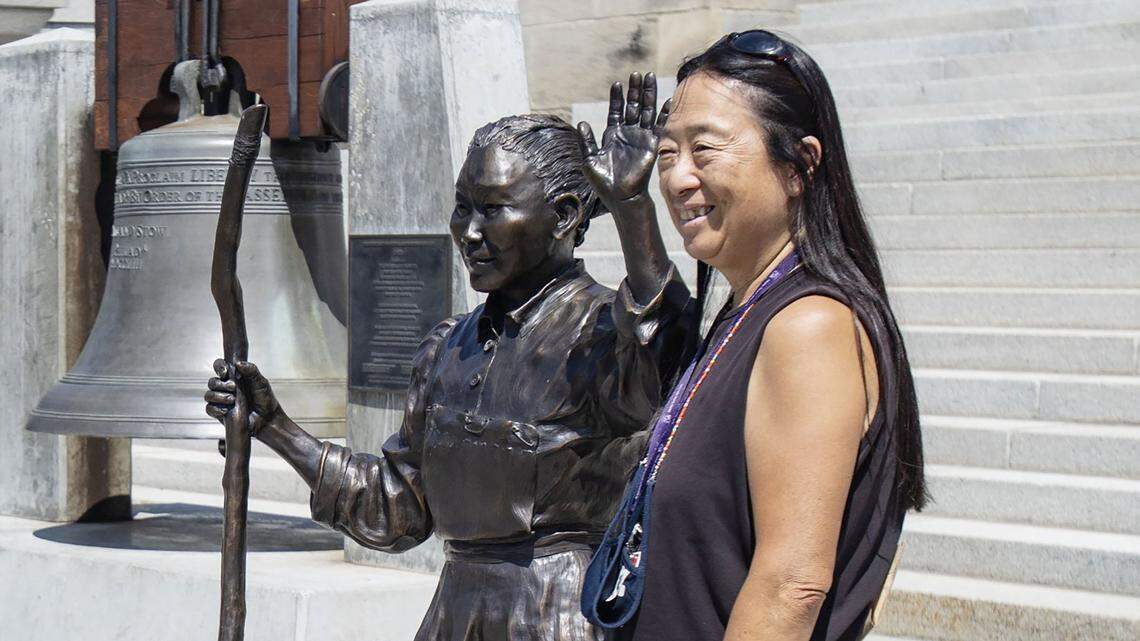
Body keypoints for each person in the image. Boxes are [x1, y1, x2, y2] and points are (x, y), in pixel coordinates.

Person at [204, 114, 691, 641]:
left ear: (565, 216)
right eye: (464, 207)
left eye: (494, 209)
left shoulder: (601, 334)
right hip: (455, 616)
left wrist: (632, 210)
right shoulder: (447, 347)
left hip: (558, 616)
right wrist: (274, 426)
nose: (470, 232)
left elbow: (664, 352)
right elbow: (397, 508)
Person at [578, 31, 927, 641]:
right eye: (667, 154)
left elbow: (791, 586)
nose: (678, 179)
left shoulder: (809, 326)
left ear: (800, 167)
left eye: (705, 150)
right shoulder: (745, 311)